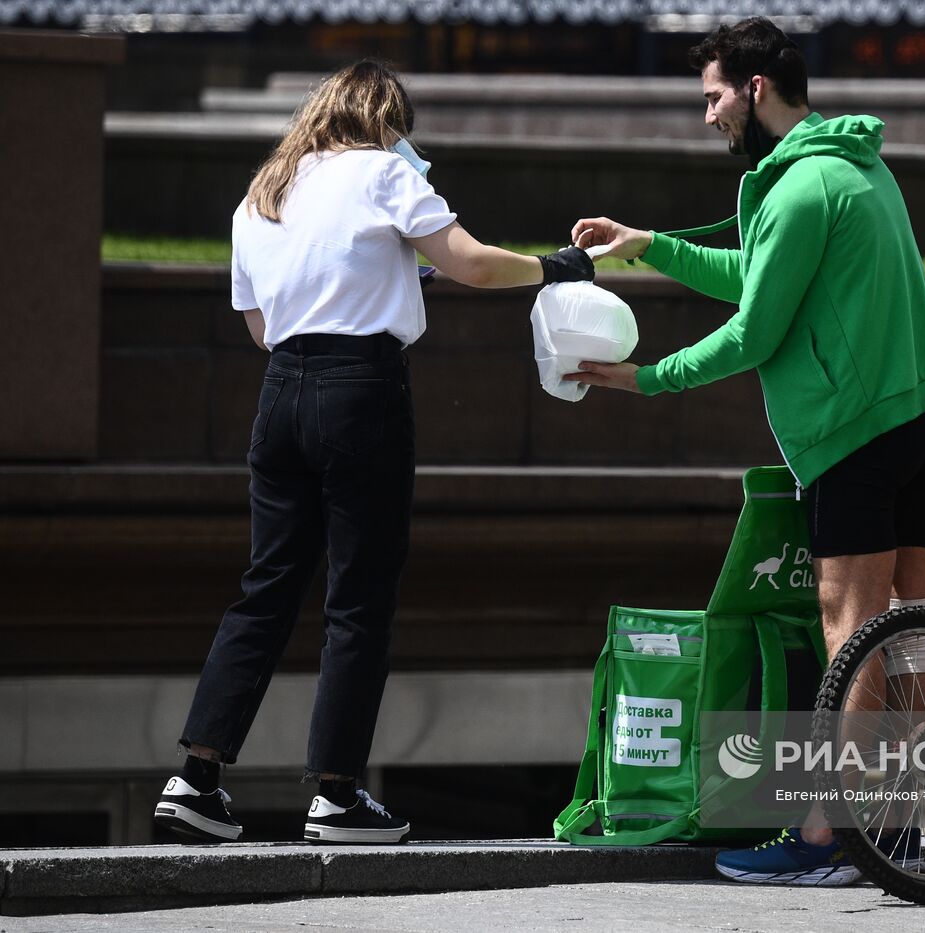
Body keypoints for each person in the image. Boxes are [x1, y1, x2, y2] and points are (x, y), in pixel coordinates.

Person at [153, 59, 594, 845]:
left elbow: (262, 328)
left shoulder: (262, 194)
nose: (405, 144)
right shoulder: (383, 173)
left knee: (266, 589)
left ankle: (195, 777)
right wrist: (554, 267)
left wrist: (374, 288)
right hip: (362, 392)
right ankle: (338, 793)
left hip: (281, 395)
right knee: (358, 598)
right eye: (401, 130)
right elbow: (469, 262)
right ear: (382, 118)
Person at [568, 17, 925, 884]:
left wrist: (645, 378)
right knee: (910, 626)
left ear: (752, 90)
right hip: (922, 411)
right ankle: (909, 822)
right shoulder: (851, 165)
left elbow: (752, 330)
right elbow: (764, 272)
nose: (707, 117)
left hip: (855, 431)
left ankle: (830, 835)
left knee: (850, 628)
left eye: (712, 97)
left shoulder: (799, 188)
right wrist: (651, 246)